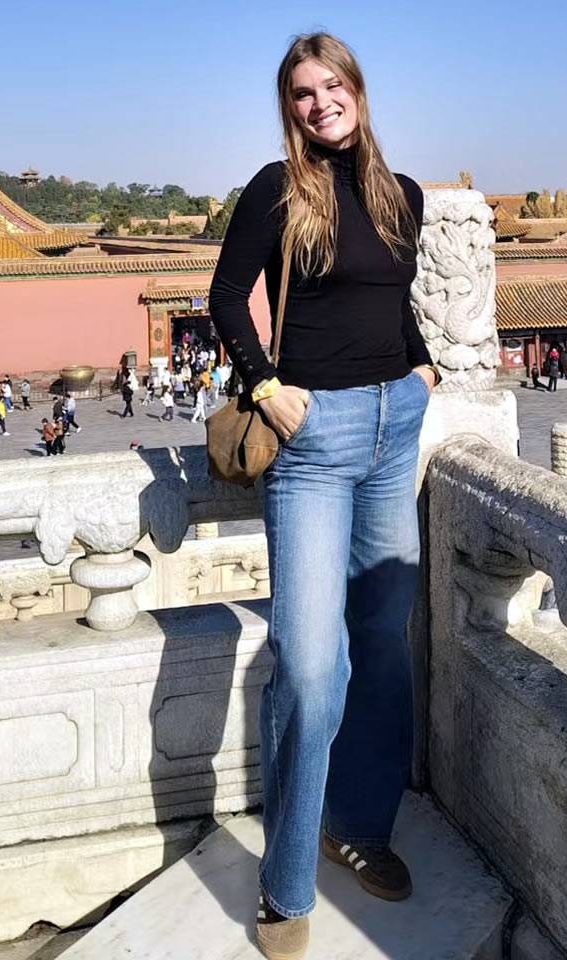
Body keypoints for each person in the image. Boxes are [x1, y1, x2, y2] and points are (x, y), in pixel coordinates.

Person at [207, 33, 439, 958]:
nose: (320, 103)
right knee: (309, 664)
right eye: (303, 92)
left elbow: (395, 297)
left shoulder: (399, 193)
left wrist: (422, 370)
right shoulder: (277, 188)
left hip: (393, 428)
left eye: (333, 85)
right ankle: (286, 881)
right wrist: (267, 386)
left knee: (383, 645)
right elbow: (227, 296)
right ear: (289, 107)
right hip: (311, 438)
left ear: (359, 92)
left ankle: (360, 826)